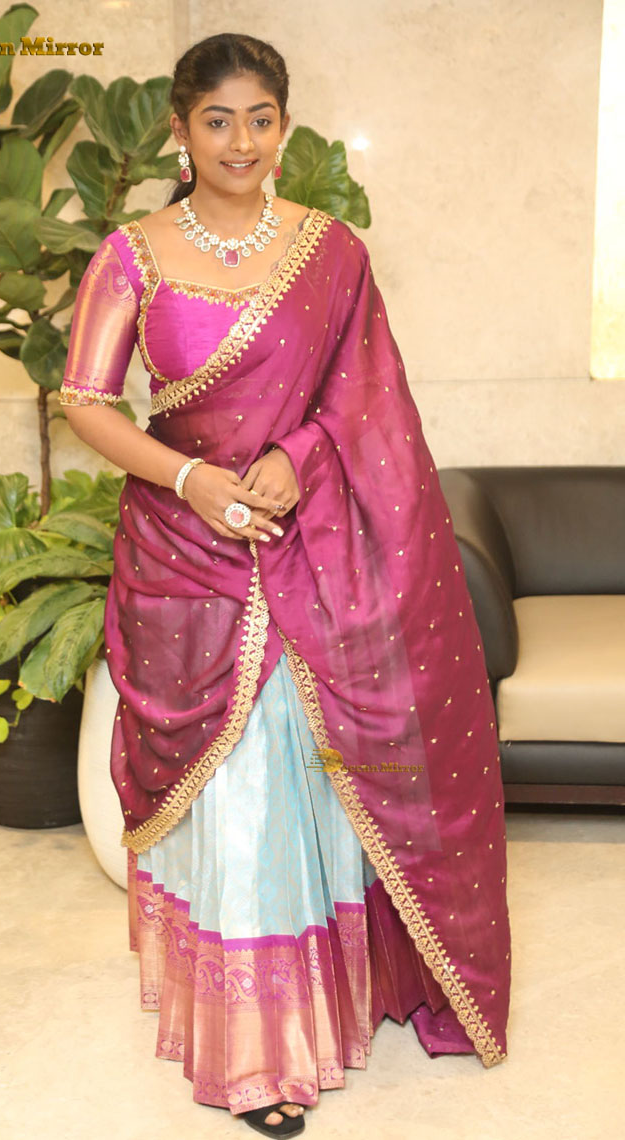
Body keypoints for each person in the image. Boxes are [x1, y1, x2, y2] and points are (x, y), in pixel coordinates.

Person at [60, 32, 511, 1137]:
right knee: (235, 793)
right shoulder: (132, 256)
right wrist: (193, 480)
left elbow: (365, 400)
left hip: (314, 546)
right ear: (180, 130)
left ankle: (327, 1006)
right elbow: (86, 402)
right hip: (185, 553)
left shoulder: (330, 252)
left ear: (285, 125)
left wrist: (298, 459)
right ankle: (254, 1049)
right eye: (218, 120)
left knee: (309, 775)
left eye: (260, 119)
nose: (242, 142)